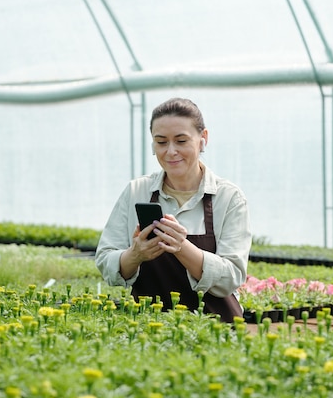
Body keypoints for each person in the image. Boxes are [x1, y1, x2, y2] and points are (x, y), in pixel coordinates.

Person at [95, 97, 251, 322]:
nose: (170, 152)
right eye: (161, 142)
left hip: (214, 329)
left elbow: (231, 276)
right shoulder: (136, 191)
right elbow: (106, 261)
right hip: (150, 327)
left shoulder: (228, 198)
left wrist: (182, 248)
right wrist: (135, 254)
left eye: (181, 141)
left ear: (202, 139)